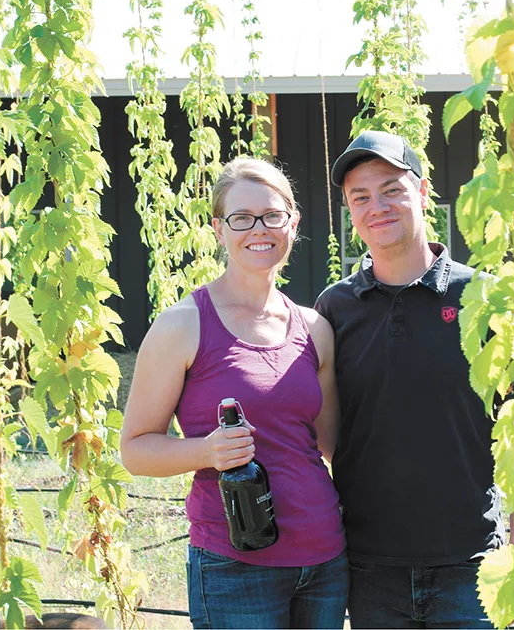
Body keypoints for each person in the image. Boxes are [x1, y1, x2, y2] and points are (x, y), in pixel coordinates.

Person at [120, 158, 348, 629]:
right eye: (241, 218)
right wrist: (206, 450)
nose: (258, 229)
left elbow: (333, 446)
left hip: (325, 556)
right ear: (219, 229)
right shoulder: (183, 325)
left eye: (271, 215)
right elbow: (135, 450)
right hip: (235, 563)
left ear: (293, 222)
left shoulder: (314, 327)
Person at [314, 130, 506, 629]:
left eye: (392, 189)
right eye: (360, 197)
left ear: (422, 194)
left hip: (473, 561)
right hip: (370, 565)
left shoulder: (483, 296)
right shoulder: (335, 308)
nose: (377, 205)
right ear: (351, 213)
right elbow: (328, 431)